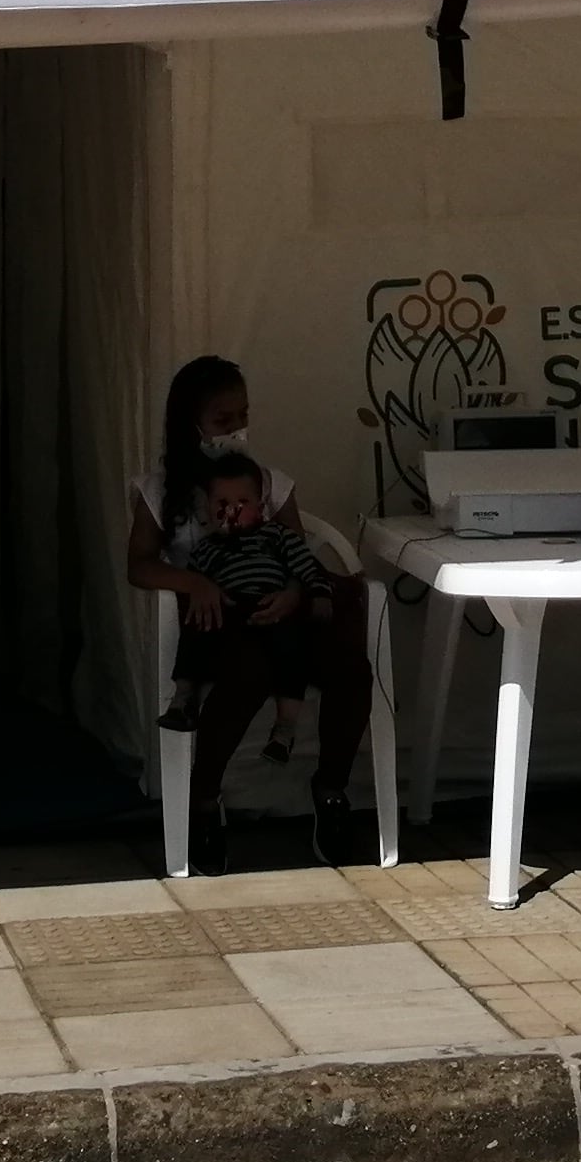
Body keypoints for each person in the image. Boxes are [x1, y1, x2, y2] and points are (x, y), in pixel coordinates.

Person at [125, 354, 370, 861]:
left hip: (282, 618)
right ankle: (203, 798)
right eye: (223, 419)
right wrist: (194, 582)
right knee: (250, 673)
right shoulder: (160, 492)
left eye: (243, 416)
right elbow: (140, 565)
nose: (236, 429)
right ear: (190, 423)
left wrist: (294, 593)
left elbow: (297, 552)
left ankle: (330, 790)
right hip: (217, 625)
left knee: (351, 669)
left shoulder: (268, 484)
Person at [155, 452, 335, 762]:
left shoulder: (276, 536)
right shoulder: (207, 549)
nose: (231, 511)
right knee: (196, 629)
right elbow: (196, 583)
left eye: (242, 502)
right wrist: (199, 593)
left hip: (272, 606)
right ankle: (183, 700)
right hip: (230, 610)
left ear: (260, 506)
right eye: (222, 503)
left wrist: (320, 595)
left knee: (294, 649)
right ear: (208, 509)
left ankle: (285, 729)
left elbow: (306, 566)